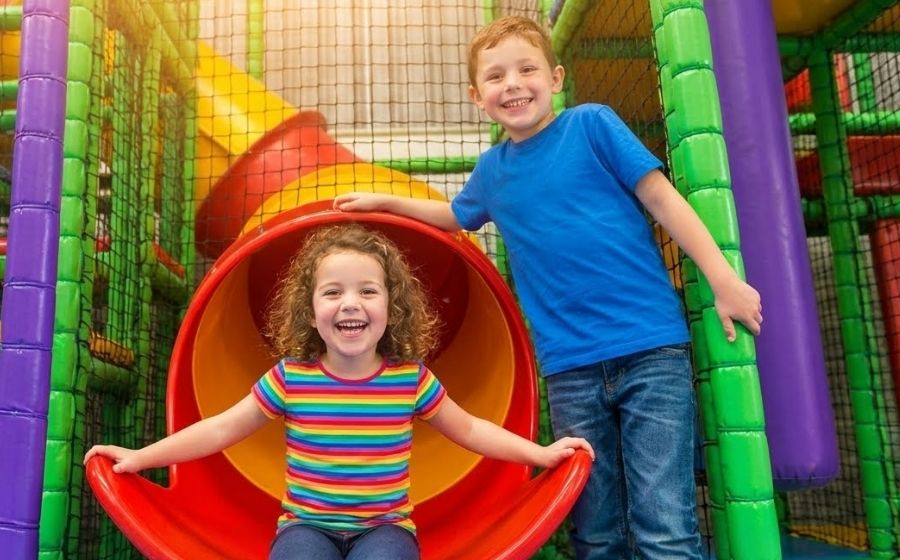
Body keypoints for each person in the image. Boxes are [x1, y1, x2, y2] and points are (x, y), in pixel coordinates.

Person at [332, 15, 763, 560]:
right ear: (477, 96)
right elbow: (455, 215)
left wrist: (721, 278)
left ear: (555, 77)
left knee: (664, 523)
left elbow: (661, 198)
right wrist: (387, 202)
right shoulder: (493, 170)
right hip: (570, 368)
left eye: (526, 69)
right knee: (593, 523)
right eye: (495, 77)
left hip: (650, 348)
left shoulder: (591, 126)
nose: (512, 84)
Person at [84, 223, 594, 560]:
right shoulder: (292, 377)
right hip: (306, 526)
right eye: (333, 292)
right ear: (311, 313)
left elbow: (471, 430)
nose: (350, 304)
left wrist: (541, 454)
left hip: (385, 528)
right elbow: (220, 428)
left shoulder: (408, 378)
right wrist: (140, 457)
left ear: (391, 309)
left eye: (367, 291)